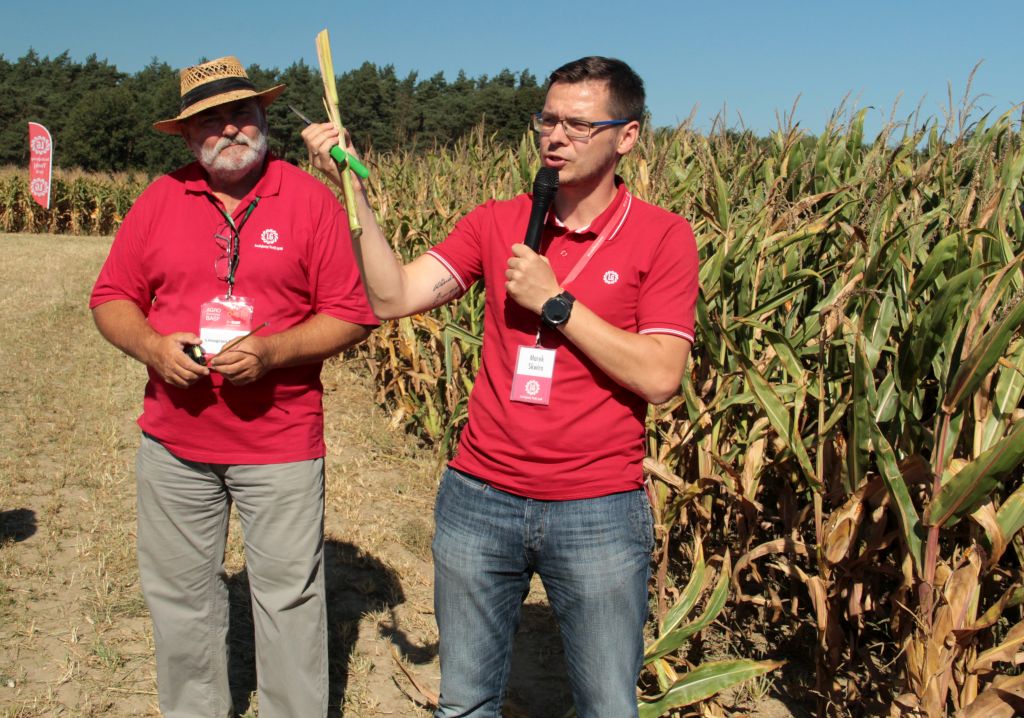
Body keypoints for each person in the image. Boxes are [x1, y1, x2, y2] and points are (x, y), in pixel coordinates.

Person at [305, 55, 698, 717]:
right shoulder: (496, 221)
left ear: (626, 136)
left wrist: (558, 302)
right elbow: (393, 294)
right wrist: (355, 196)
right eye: (547, 119)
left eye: (578, 124)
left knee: (607, 705)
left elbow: (660, 376)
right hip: (478, 500)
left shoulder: (663, 237)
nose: (555, 136)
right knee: (464, 704)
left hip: (597, 510)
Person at [90, 56, 377, 717]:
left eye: (241, 114)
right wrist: (153, 347)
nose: (229, 129)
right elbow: (110, 298)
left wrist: (274, 352)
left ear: (264, 120)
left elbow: (352, 315)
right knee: (182, 594)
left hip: (279, 444)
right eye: (210, 121)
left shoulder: (310, 201)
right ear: (188, 138)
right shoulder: (161, 198)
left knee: (289, 597)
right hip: (175, 444)